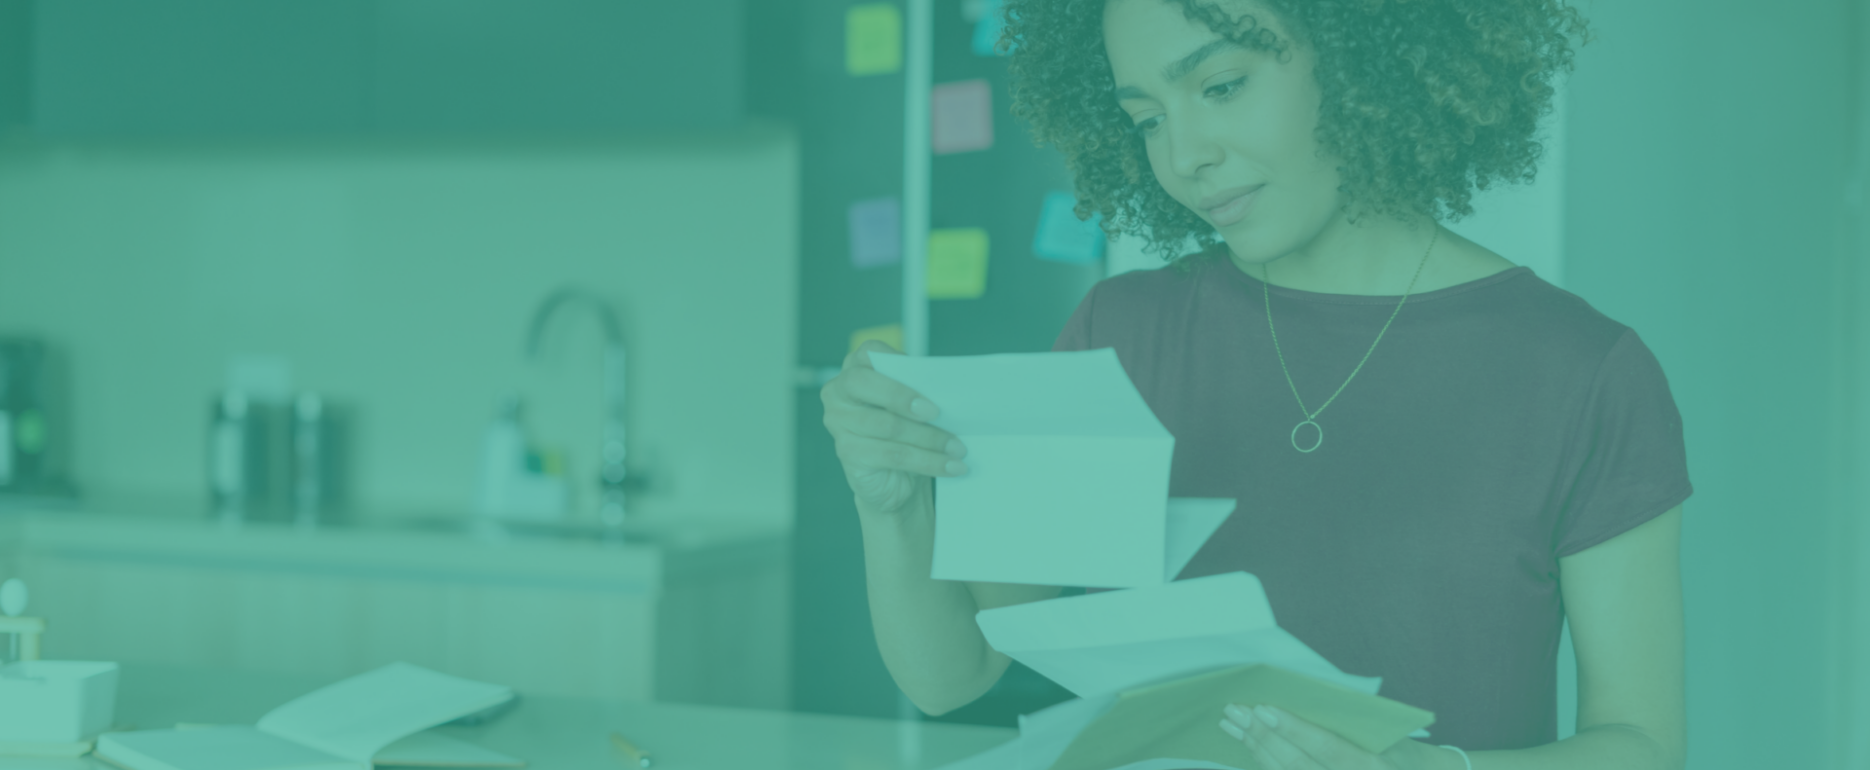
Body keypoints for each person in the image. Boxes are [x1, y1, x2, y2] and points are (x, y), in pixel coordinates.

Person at [818, 0, 1692, 768]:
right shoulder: (1120, 333)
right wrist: (890, 506)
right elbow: (953, 675)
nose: (1185, 155)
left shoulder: (1580, 370)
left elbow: (1643, 745)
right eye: (1147, 118)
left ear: (1358, 52)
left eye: (1222, 86)